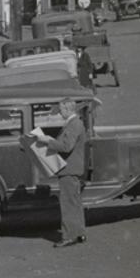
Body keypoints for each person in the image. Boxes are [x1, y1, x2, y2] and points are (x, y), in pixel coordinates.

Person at [25, 99, 88, 247]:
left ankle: (68, 237)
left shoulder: (73, 124)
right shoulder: (75, 123)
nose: (59, 113)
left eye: (61, 110)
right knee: (74, 203)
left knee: (67, 204)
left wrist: (47, 140)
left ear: (68, 109)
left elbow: (66, 147)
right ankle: (79, 233)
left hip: (68, 170)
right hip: (72, 169)